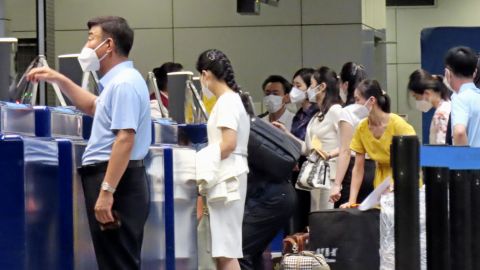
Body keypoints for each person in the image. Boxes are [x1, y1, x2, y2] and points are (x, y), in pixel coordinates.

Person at [27, 16, 151, 269]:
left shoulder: (124, 84)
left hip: (117, 181)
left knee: (118, 262)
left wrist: (107, 191)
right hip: (118, 180)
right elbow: (94, 106)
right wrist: (58, 79)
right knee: (115, 260)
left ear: (108, 45)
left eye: (91, 38)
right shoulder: (120, 82)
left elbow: (125, 139)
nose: (86, 45)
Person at [196, 49, 250, 270]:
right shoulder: (232, 100)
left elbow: (228, 143)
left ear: (206, 74)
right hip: (230, 176)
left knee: (225, 251)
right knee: (223, 250)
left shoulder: (227, 101)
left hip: (227, 178)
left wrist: (199, 160)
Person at [340, 80, 416, 208]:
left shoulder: (398, 124)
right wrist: (352, 201)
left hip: (404, 180)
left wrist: (395, 184)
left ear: (372, 100)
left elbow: (412, 158)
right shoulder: (361, 128)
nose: (355, 104)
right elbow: (358, 168)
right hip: (381, 183)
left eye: (358, 100)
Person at [275, 66, 343, 211]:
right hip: (315, 177)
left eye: (312, 85)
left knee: (326, 219)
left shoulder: (336, 111)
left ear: (322, 87)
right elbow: (308, 149)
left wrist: (330, 156)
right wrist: (286, 133)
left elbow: (348, 145)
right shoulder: (317, 116)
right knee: (317, 219)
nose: (310, 90)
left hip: (330, 176)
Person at [330, 66, 374, 208]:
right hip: (376, 170)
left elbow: (345, 150)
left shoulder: (347, 112)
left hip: (354, 170)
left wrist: (337, 184)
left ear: (345, 85)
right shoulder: (381, 110)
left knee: (348, 218)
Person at [283, 67, 317, 234]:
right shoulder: (299, 115)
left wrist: (286, 134)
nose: (294, 91)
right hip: (297, 172)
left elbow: (309, 144)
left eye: (299, 86)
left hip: (310, 172)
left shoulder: (317, 115)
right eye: (293, 86)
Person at [444, 46, 480, 146]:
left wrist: (463, 160)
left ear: (448, 73)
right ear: (475, 72)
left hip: (473, 161)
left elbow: (459, 133)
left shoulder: (459, 98)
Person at [408, 69, 451, 144]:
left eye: (416, 97)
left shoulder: (441, 115)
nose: (417, 101)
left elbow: (441, 148)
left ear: (426, 93)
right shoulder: (447, 106)